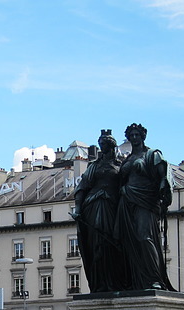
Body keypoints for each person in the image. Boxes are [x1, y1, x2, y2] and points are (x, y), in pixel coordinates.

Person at [114, 123, 175, 291]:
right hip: (126, 201)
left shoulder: (152, 155)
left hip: (145, 200)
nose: (134, 138)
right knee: (128, 242)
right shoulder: (126, 159)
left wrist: (164, 194)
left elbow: (165, 179)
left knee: (144, 237)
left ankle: (154, 278)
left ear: (142, 136)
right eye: (131, 135)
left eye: (137, 135)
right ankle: (136, 280)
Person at [72, 129, 126, 292]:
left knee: (114, 245)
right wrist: (78, 209)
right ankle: (99, 283)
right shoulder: (93, 166)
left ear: (112, 146)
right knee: (97, 245)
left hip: (114, 207)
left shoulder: (121, 165)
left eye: (106, 145)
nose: (103, 148)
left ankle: (116, 282)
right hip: (95, 207)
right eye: (101, 145)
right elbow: (82, 186)